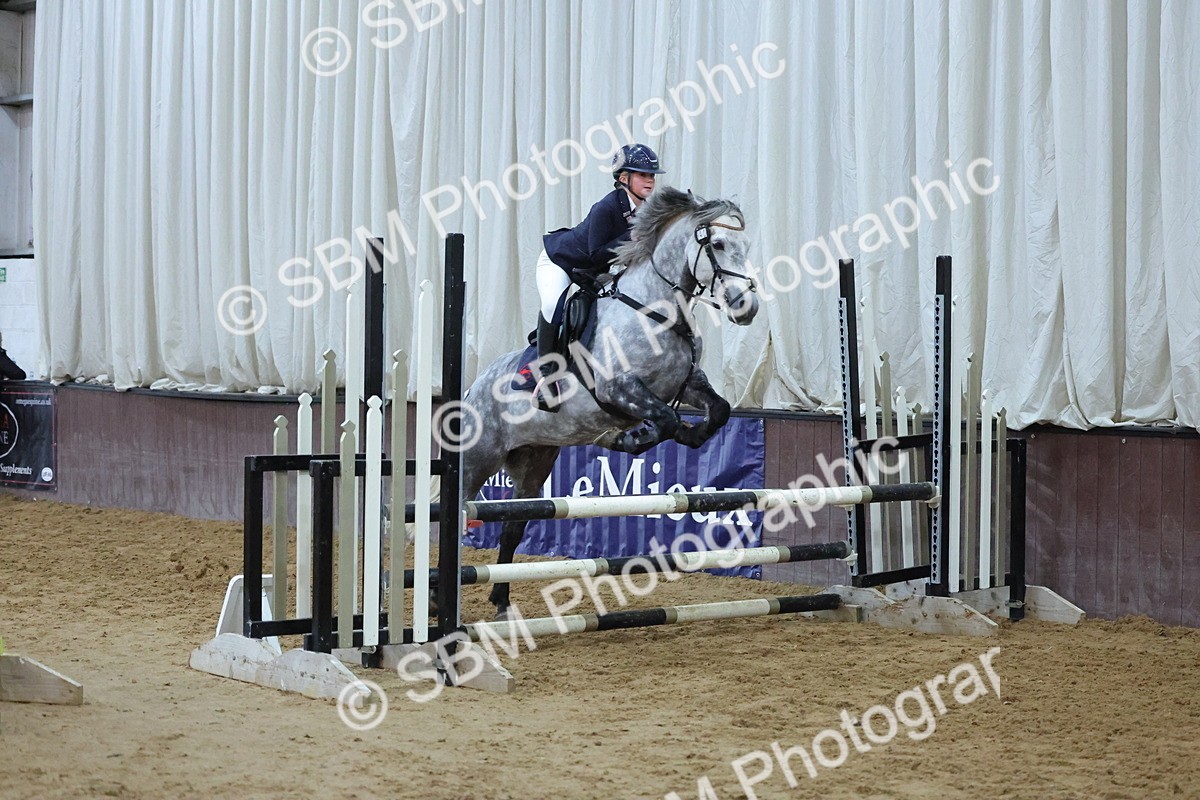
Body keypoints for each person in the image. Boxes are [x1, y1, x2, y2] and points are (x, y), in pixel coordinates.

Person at [532, 143, 665, 409]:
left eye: (651, 175)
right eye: (643, 175)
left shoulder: (647, 210)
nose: (649, 181)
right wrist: (631, 236)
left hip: (594, 273)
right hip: (562, 263)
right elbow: (596, 254)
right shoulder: (606, 207)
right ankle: (547, 377)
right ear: (623, 178)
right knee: (553, 306)